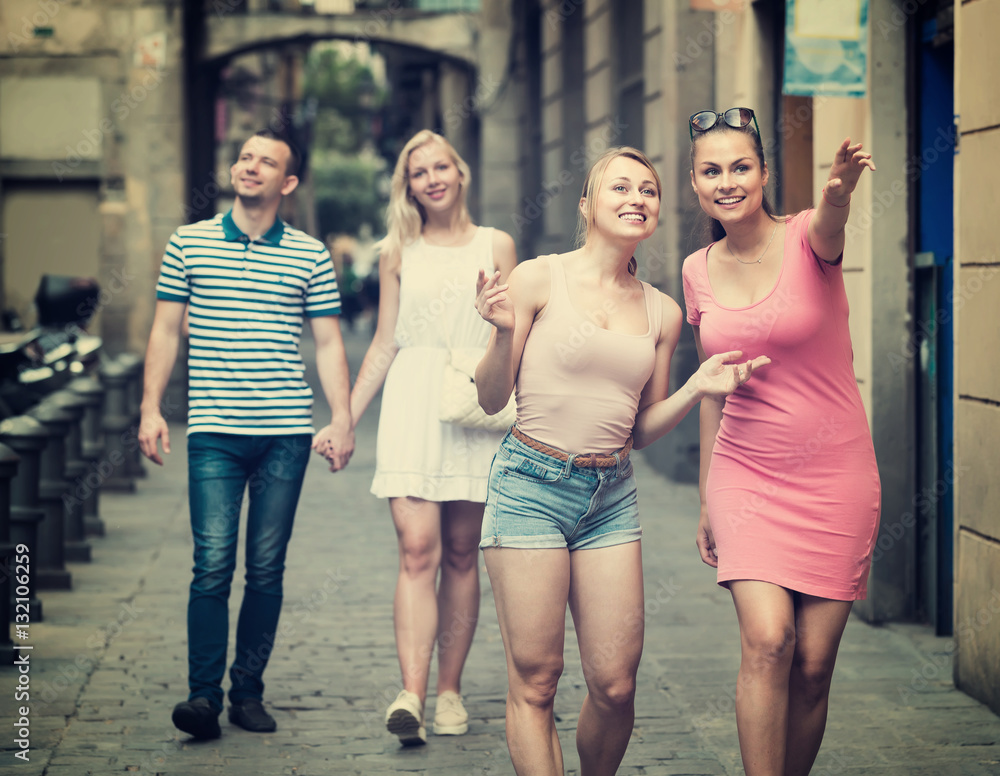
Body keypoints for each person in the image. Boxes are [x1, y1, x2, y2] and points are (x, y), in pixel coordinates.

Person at [473, 146, 767, 776]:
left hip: (610, 496)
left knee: (615, 685)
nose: (637, 198)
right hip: (530, 484)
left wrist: (696, 389)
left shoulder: (662, 311)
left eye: (650, 190)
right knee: (538, 677)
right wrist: (501, 333)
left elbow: (639, 431)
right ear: (587, 204)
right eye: (621, 187)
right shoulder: (537, 279)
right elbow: (493, 397)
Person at [682, 107, 881, 776]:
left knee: (815, 667)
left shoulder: (807, 239)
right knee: (769, 639)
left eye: (741, 166)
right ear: (695, 184)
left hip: (836, 474)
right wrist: (710, 497)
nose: (728, 181)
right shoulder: (696, 270)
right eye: (712, 171)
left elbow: (830, 227)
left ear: (765, 173)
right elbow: (713, 387)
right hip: (745, 473)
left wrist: (837, 194)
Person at [138, 129, 355, 741]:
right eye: (244, 157)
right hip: (213, 430)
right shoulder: (189, 243)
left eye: (267, 162)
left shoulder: (310, 254)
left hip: (286, 432)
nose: (250, 167)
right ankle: (203, 697)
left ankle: (247, 693)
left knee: (264, 568)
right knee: (211, 564)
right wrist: (151, 408)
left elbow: (329, 342)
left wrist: (340, 418)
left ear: (287, 182)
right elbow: (164, 331)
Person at [346, 129, 517, 746]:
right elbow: (386, 340)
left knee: (462, 553)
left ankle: (451, 691)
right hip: (413, 403)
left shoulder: (496, 243)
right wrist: (345, 415)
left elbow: (514, 332)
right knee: (415, 549)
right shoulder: (398, 249)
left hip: (474, 402)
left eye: (441, 166)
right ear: (408, 186)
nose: (433, 178)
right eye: (419, 172)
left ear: (460, 172)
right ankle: (411, 694)